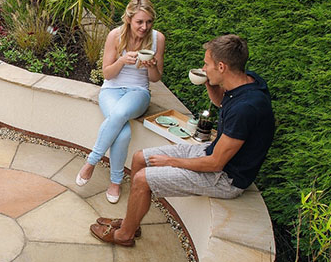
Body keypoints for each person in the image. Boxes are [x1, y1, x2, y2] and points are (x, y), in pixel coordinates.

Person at [90, 34, 275, 246]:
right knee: (140, 158)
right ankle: (131, 224)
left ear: (222, 66)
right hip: (211, 153)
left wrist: (170, 162)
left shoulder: (247, 108)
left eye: (207, 65)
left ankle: (124, 236)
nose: (203, 68)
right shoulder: (246, 80)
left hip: (226, 178)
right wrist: (209, 82)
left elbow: (216, 163)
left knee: (142, 179)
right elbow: (221, 103)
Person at [76, 0, 166, 204]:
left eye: (149, 22)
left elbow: (155, 78)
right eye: (140, 22)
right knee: (123, 132)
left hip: (138, 92)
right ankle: (115, 181)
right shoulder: (115, 36)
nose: (144, 27)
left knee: (120, 114)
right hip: (111, 91)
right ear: (128, 19)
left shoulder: (157, 39)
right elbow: (107, 74)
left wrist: (151, 65)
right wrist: (122, 60)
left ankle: (91, 161)